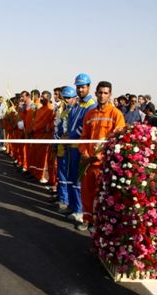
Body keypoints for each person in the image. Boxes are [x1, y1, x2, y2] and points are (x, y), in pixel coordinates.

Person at [78, 81, 125, 232]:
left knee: (102, 197)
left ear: (110, 94)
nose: (103, 95)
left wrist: (98, 157)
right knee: (86, 193)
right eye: (100, 92)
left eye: (106, 93)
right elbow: (84, 137)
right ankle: (87, 220)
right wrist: (85, 154)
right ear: (96, 93)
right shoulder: (89, 114)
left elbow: (117, 141)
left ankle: (99, 225)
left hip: (105, 165)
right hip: (88, 163)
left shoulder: (116, 114)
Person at [65, 73, 97, 225]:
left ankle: (79, 211)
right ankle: (73, 206)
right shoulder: (78, 104)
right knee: (71, 178)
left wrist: (71, 137)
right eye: (78, 87)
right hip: (71, 146)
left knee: (78, 181)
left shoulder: (91, 105)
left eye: (82, 87)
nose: (80, 90)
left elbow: (83, 127)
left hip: (80, 146)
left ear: (89, 87)